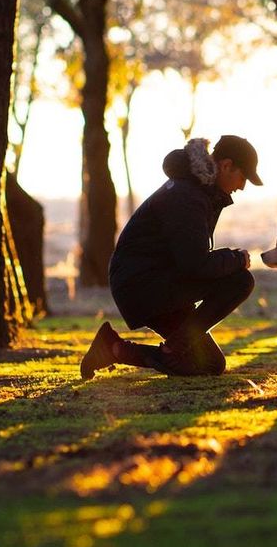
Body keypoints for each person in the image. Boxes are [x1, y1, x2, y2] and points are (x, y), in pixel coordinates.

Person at [80, 135, 262, 378]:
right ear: (226, 165)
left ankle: (112, 348)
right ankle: (173, 349)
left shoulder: (198, 191)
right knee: (240, 280)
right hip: (144, 286)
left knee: (209, 365)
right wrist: (237, 259)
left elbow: (190, 259)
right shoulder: (188, 196)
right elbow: (195, 264)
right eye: (243, 177)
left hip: (153, 283)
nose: (242, 187)